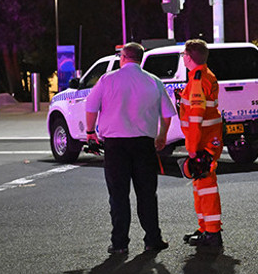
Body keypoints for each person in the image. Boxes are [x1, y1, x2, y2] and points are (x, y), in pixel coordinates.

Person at [85, 42, 176, 254]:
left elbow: (91, 107)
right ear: (141, 59)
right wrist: (161, 136)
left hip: (115, 145)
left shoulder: (107, 79)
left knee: (118, 194)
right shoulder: (153, 81)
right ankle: (152, 238)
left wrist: (90, 131)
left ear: (123, 57)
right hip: (144, 144)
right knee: (146, 193)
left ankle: (119, 243)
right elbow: (167, 114)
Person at [180, 39, 225, 247]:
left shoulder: (197, 80)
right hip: (209, 138)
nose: (182, 58)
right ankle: (205, 229)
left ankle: (212, 232)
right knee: (201, 186)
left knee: (206, 187)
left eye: (183, 55)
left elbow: (196, 118)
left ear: (189, 58)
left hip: (202, 141)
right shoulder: (205, 75)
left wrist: (192, 148)